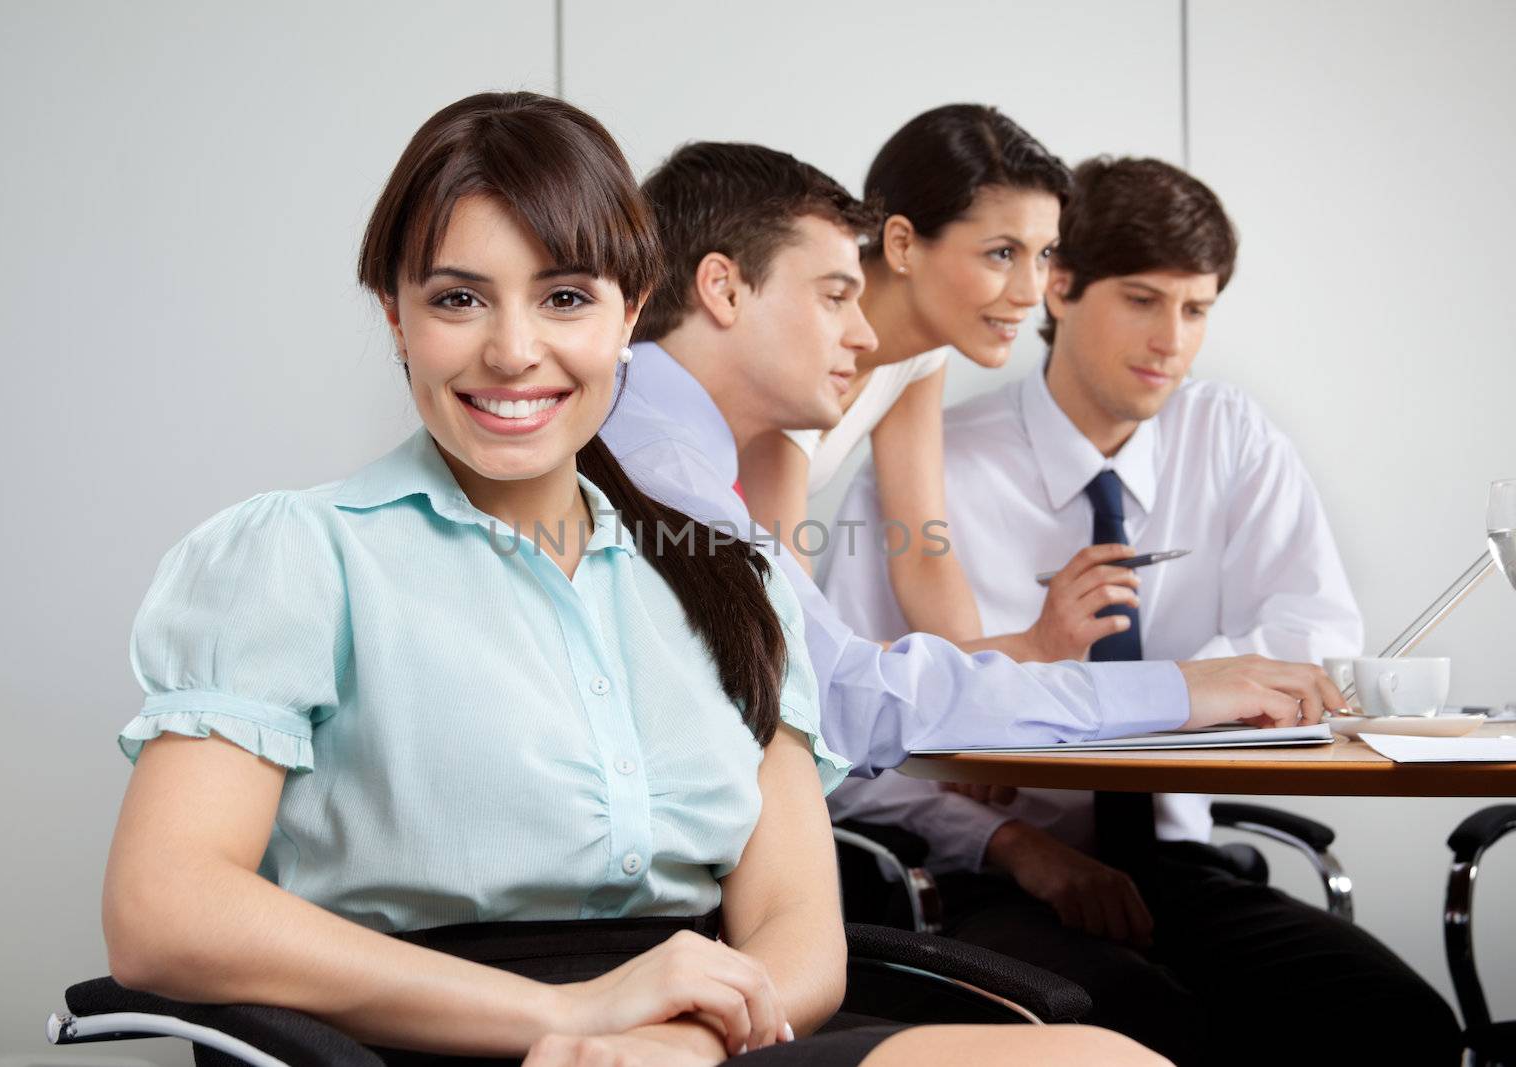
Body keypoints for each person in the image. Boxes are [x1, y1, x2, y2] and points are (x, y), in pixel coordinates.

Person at [99, 92, 1166, 1067]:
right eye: (459, 298)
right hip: (429, 1039)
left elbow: (797, 928)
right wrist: (566, 1015)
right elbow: (165, 910)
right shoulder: (298, 553)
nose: (514, 351)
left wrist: (682, 1039)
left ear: (628, 310)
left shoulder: (729, 571)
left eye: (564, 296)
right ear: (396, 316)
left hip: (703, 1038)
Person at [818, 156, 1462, 1066]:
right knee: (1143, 1023)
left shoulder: (1228, 436)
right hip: (988, 876)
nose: (1173, 340)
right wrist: (1011, 841)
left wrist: (1184, 692)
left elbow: (1315, 635)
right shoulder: (933, 468)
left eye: (1196, 310)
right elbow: (844, 733)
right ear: (1062, 287)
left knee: (1395, 1021)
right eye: (1143, 300)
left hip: (1174, 865)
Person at [601, 139, 1347, 792]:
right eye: (834, 296)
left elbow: (870, 647)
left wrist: (1011, 688)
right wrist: (1170, 689)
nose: (863, 337)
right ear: (723, 288)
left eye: (1043, 255)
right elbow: (845, 688)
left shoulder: (672, 441)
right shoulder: (669, 468)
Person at [740, 104, 1129, 662]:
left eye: (1043, 255)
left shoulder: (921, 351)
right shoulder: (801, 348)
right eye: (1002, 253)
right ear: (901, 244)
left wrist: (989, 686)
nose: (1030, 291)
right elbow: (798, 636)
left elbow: (923, 549)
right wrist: (1029, 649)